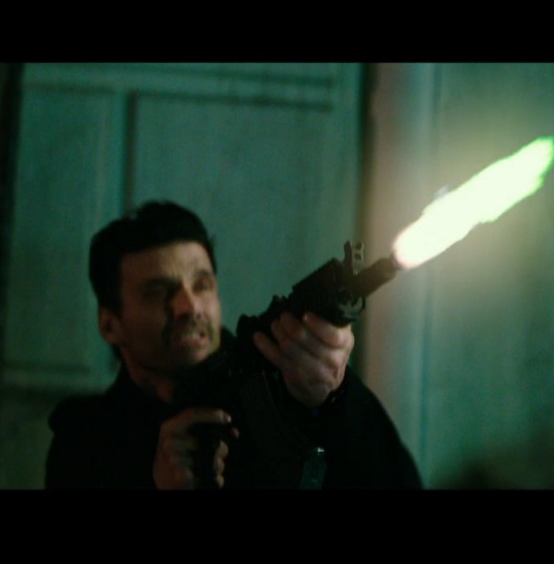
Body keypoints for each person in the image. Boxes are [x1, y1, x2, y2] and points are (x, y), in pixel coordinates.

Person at [45, 200, 421, 489]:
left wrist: (335, 399)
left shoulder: (285, 382)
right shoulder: (84, 439)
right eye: (157, 292)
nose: (188, 306)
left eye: (202, 285)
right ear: (110, 324)